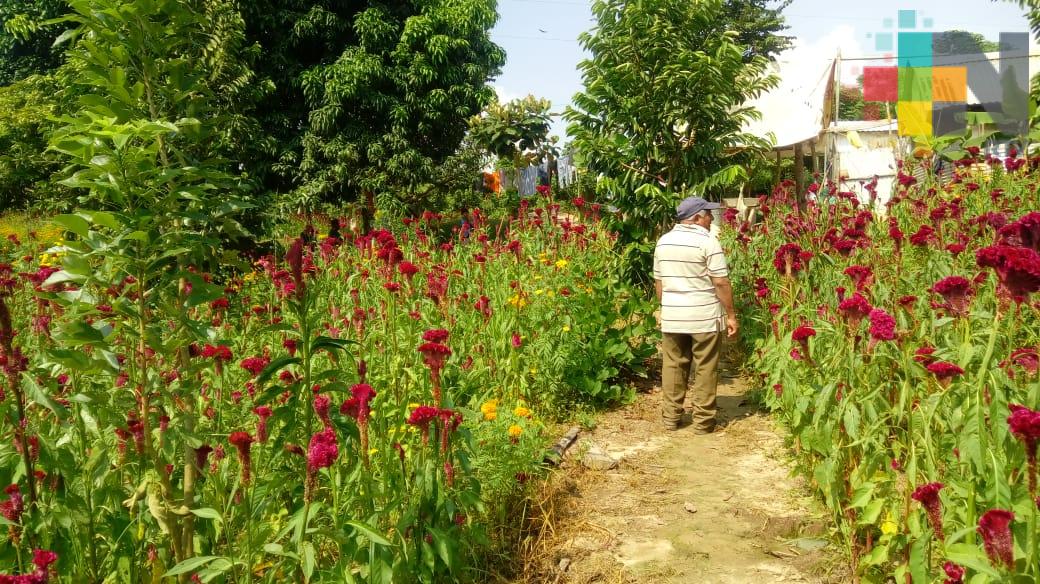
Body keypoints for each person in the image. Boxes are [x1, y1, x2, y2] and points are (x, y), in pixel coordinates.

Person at [653, 196, 738, 433]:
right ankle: (703, 422)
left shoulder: (663, 242)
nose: (711, 218)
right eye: (708, 214)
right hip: (704, 317)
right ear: (697, 218)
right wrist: (731, 315)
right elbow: (720, 282)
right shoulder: (708, 242)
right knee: (705, 367)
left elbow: (659, 283)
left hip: (673, 316)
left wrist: (666, 308)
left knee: (672, 366)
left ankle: (671, 418)